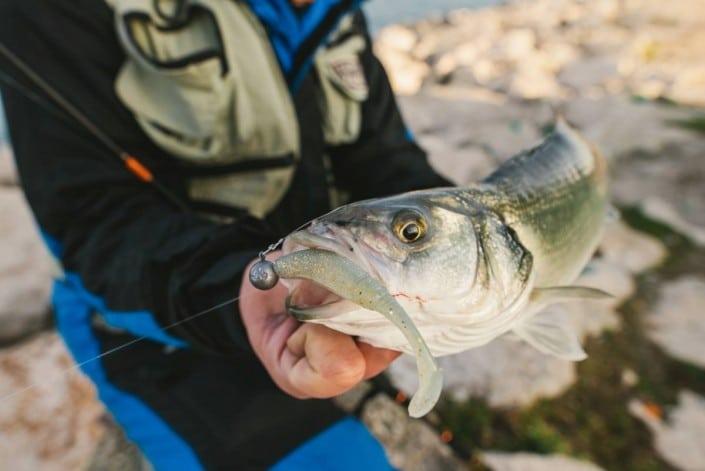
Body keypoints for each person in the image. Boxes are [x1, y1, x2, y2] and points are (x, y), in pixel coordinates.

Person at [0, 0, 449, 469]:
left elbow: (382, 155)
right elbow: (92, 224)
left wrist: (469, 223)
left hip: (312, 308)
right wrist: (241, 289)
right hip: (148, 323)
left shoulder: (335, 12)